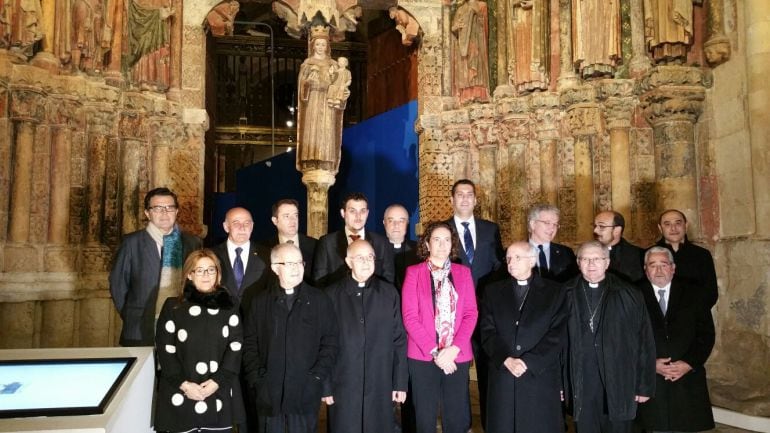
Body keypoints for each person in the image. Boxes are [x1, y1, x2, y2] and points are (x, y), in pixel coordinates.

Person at [242, 243, 338, 433]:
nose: (296, 268)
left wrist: (317, 376)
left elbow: (330, 342)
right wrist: (258, 379)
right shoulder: (260, 301)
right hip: (269, 391)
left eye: (299, 262)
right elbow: (249, 344)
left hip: (305, 390)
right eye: (289, 263)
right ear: (275, 268)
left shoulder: (320, 300)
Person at [564, 241, 655, 433]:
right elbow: (558, 345)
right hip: (582, 378)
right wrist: (560, 384)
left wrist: (644, 385)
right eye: (585, 259)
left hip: (619, 379)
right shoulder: (564, 294)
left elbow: (644, 341)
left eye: (597, 259)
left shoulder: (629, 293)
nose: (591, 264)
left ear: (607, 262)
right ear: (578, 262)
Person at [480, 242, 568, 433]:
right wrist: (506, 359)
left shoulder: (555, 292)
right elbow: (487, 331)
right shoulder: (493, 291)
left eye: (517, 257)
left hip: (539, 375)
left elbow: (558, 334)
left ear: (532, 261)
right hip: (503, 375)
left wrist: (529, 361)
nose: (511, 262)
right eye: (508, 258)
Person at [154, 249, 245, 433]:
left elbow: (235, 347)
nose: (206, 275)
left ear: (218, 274)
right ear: (189, 274)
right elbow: (165, 349)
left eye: (211, 270)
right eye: (199, 270)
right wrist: (185, 385)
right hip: (181, 393)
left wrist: (217, 382)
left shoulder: (230, 306)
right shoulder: (173, 306)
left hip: (217, 391)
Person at [401, 221, 478, 433]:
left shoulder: (463, 273)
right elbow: (410, 317)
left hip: (456, 356)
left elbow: (471, 314)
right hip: (423, 356)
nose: (442, 245)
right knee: (424, 418)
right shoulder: (413, 273)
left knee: (456, 417)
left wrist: (453, 349)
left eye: (447, 240)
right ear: (427, 243)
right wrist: (436, 352)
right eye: (437, 239)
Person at [325, 240, 408, 433]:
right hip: (343, 385)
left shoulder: (389, 293)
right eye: (360, 258)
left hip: (381, 381)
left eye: (370, 257)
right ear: (348, 261)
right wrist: (325, 386)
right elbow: (324, 345)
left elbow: (399, 340)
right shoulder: (330, 295)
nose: (366, 262)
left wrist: (400, 382)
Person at [636, 247, 716, 432]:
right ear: (645, 269)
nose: (658, 271)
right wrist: (649, 364)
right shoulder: (633, 294)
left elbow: (706, 334)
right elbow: (627, 340)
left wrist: (689, 363)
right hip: (650, 381)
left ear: (673, 268)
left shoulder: (694, 294)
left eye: (663, 265)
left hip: (687, 381)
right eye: (652, 265)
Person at [444, 179, 503, 428]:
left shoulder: (491, 229)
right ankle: (461, 424)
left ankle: (490, 424)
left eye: (470, 194)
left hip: (486, 313)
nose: (465, 199)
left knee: (488, 370)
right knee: (456, 374)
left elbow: (499, 267)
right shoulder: (441, 229)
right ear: (452, 199)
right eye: (460, 194)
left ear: (476, 200)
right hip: (454, 315)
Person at [110, 187, 201, 346]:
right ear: (147, 213)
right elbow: (118, 285)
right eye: (157, 208)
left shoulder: (192, 242)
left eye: (169, 208)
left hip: (182, 323)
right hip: (140, 326)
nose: (164, 213)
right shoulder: (132, 243)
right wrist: (132, 315)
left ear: (177, 211)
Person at [313, 192, 395, 287]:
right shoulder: (327, 243)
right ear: (343, 213)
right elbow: (319, 282)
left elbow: (388, 282)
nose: (358, 216)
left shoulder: (382, 243)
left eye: (362, 211)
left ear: (367, 213)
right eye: (352, 211)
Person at [653, 209, 718, 308]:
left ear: (686, 226)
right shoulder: (648, 255)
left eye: (678, 223)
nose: (673, 228)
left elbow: (711, 293)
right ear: (660, 228)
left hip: (696, 319)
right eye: (667, 224)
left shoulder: (702, 255)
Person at [212, 207, 269, 307]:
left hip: (255, 319)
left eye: (247, 223)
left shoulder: (267, 255)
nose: (242, 228)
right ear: (226, 227)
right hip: (221, 317)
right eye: (236, 223)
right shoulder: (211, 255)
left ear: (252, 226)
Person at [261, 199, 318, 282]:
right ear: (275, 220)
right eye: (286, 216)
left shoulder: (315, 246)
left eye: (295, 215)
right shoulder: (263, 248)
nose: (293, 220)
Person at [527, 204, 578, 283]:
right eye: (547, 223)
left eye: (555, 224)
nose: (552, 228)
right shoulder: (515, 251)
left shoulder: (566, 253)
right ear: (533, 224)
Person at [593, 211, 644, 283]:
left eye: (601, 226)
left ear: (617, 230)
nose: (595, 230)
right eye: (595, 226)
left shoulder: (638, 255)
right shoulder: (585, 253)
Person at [383, 204, 419, 291]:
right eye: (391, 221)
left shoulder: (419, 251)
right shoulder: (373, 249)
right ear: (384, 222)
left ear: (407, 223)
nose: (396, 225)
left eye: (401, 221)